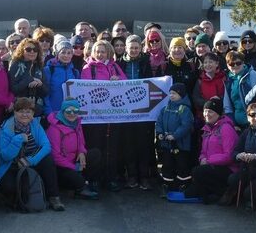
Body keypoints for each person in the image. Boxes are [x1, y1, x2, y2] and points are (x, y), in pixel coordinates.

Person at [0, 97, 65, 211]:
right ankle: (19, 200)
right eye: (21, 111)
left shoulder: (35, 124)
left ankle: (53, 197)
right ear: (15, 112)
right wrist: (18, 139)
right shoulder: (6, 128)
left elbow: (46, 146)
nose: (25, 115)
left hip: (31, 159)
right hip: (12, 164)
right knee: (9, 187)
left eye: (28, 112)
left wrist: (30, 160)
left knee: (48, 160)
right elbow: (5, 156)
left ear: (32, 113)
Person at [81, 40, 126, 191]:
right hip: (95, 115)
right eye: (97, 51)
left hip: (112, 115)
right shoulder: (88, 68)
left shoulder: (114, 66)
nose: (100, 54)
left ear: (108, 52)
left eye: (103, 51)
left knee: (111, 148)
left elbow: (126, 83)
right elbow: (83, 88)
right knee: (95, 146)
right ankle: (94, 178)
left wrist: (117, 80)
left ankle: (110, 178)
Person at [183, 97, 239, 204]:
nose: (206, 114)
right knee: (189, 193)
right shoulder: (207, 129)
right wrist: (202, 158)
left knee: (197, 172)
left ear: (218, 113)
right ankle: (213, 193)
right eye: (205, 111)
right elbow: (203, 151)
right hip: (212, 167)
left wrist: (208, 160)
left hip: (228, 168)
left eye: (210, 111)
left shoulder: (226, 128)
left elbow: (229, 155)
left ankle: (225, 192)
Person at [46, 99, 100, 199]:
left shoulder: (76, 123)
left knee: (95, 153)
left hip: (75, 160)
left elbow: (81, 142)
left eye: (75, 111)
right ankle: (80, 187)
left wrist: (82, 152)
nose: (72, 114)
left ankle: (83, 182)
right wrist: (73, 167)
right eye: (68, 111)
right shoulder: (54, 128)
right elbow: (55, 156)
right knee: (73, 176)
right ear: (63, 111)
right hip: (62, 166)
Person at [119, 35, 154, 190]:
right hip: (125, 112)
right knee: (128, 144)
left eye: (136, 48)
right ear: (126, 48)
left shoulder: (147, 62)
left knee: (144, 144)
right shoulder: (118, 63)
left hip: (143, 111)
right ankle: (132, 176)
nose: (133, 50)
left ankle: (144, 177)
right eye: (130, 48)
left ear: (140, 48)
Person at [155, 83, 194, 194]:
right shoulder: (165, 108)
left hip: (181, 144)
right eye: (171, 93)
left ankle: (183, 184)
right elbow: (159, 122)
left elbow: (186, 125)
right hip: (167, 144)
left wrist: (175, 135)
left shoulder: (184, 109)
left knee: (182, 164)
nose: (172, 96)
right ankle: (167, 184)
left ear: (181, 95)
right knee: (167, 164)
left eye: (174, 94)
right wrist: (160, 133)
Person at [8, 37, 49, 116]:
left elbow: (46, 92)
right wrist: (30, 79)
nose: (32, 52)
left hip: (36, 109)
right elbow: (13, 89)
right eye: (28, 49)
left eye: (35, 49)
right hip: (20, 109)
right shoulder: (16, 65)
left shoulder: (39, 66)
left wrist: (40, 84)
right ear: (22, 50)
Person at [223, 50, 256, 128]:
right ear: (227, 65)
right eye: (232, 64)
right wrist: (232, 123)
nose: (235, 66)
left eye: (238, 63)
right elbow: (227, 105)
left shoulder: (252, 74)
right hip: (238, 124)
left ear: (243, 62)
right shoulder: (228, 80)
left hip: (254, 121)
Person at [44, 39, 80, 114]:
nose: (66, 55)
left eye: (69, 53)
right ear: (57, 54)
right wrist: (49, 112)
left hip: (70, 114)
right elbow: (45, 93)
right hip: (53, 112)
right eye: (63, 52)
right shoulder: (49, 70)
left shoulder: (75, 72)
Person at [193, 52, 226, 119]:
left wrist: (218, 101)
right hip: (204, 116)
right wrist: (209, 103)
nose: (207, 65)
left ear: (217, 64)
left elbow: (227, 96)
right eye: (205, 62)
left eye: (210, 62)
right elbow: (196, 99)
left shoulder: (223, 78)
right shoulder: (200, 80)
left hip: (221, 115)